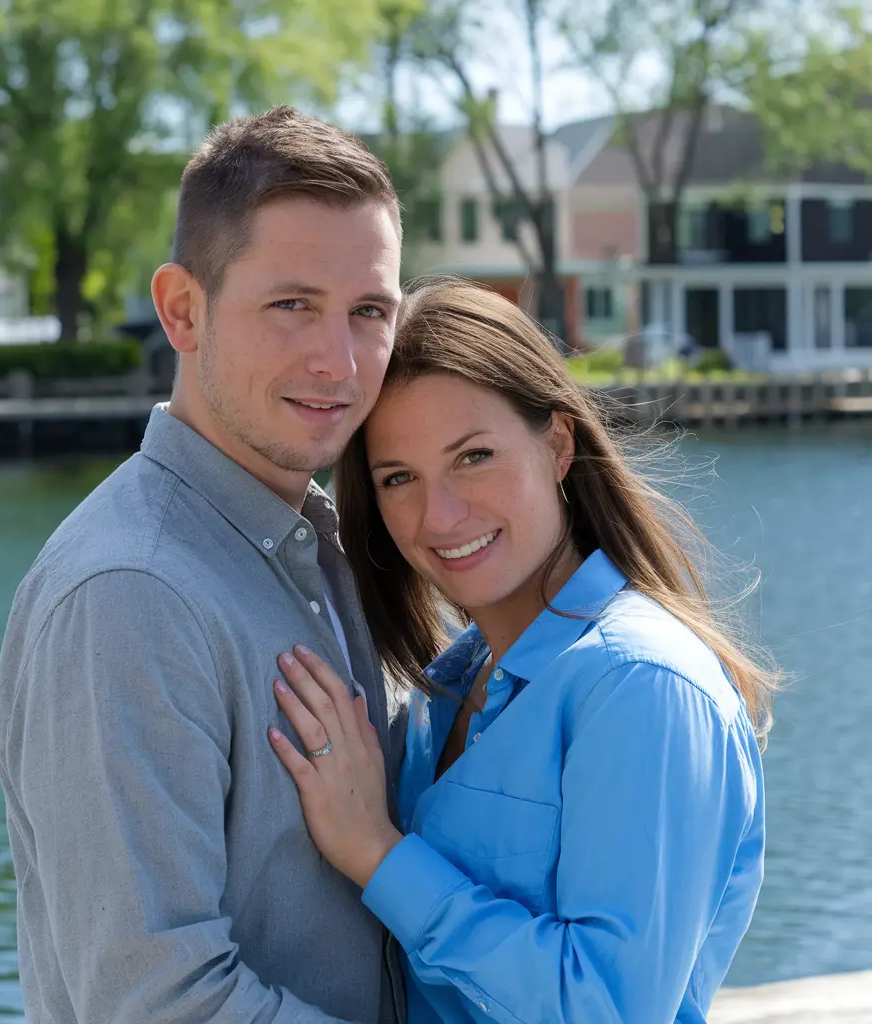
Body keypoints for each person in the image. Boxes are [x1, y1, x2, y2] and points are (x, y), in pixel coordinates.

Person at [0, 107, 408, 1024]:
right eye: (292, 305)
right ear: (183, 309)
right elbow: (157, 1002)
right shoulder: (130, 596)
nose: (339, 361)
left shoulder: (322, 545)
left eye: (369, 311)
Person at [268, 276, 775, 1024]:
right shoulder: (445, 691)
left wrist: (377, 853)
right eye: (399, 478)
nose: (440, 515)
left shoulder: (641, 685)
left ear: (559, 444)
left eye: (473, 456)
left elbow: (608, 1008)